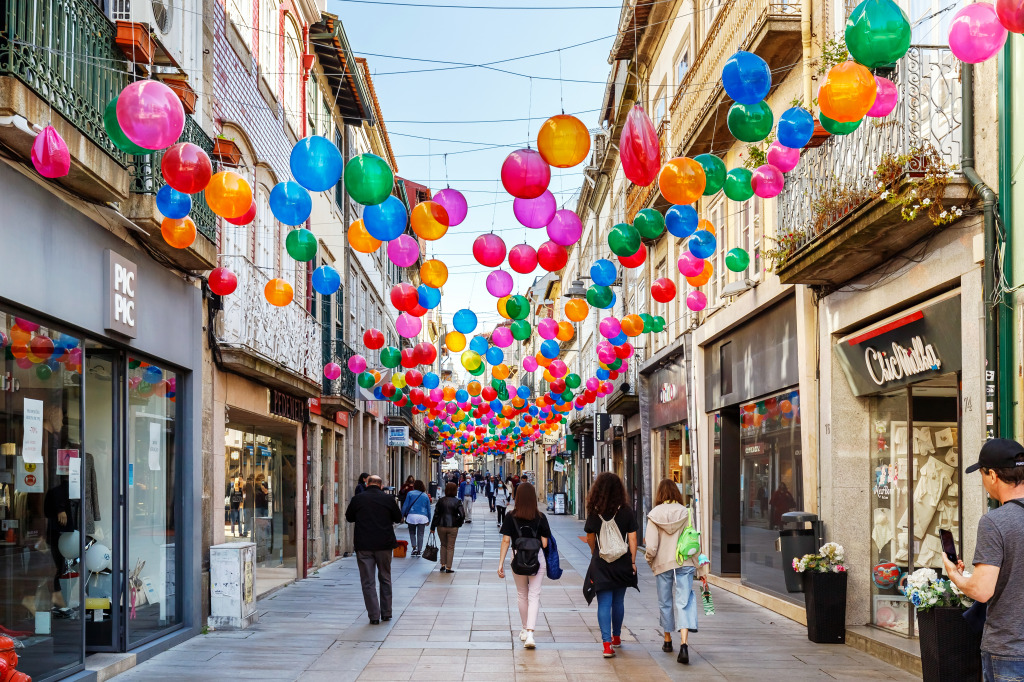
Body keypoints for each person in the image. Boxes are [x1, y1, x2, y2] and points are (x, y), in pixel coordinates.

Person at [944, 438, 1024, 681]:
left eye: (981, 474)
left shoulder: (994, 522)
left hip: (1010, 649)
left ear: (992, 475)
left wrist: (955, 575)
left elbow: (981, 590)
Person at [645, 479, 707, 665]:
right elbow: (694, 541)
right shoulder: (686, 512)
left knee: (665, 601)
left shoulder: (654, 514)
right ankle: (684, 644)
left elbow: (652, 546)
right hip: (685, 562)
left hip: (663, 562)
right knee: (684, 601)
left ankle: (667, 640)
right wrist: (701, 567)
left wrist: (650, 561)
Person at [584, 472, 638, 659]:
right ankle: (616, 637)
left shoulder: (593, 512)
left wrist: (594, 552)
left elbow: (590, 537)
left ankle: (607, 645)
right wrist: (632, 561)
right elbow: (632, 538)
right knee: (618, 601)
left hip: (601, 562)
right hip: (622, 561)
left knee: (604, 603)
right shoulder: (626, 511)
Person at [497, 482, 550, 650]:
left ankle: (524, 628)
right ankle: (531, 634)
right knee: (534, 595)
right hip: (537, 558)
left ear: (517, 497)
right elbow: (545, 543)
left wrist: (500, 564)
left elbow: (506, 540)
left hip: (517, 557)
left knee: (522, 594)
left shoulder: (510, 516)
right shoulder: (540, 517)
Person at [344, 475, 401, 624]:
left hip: (364, 545)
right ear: (381, 486)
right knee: (385, 578)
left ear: (367, 483)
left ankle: (374, 616)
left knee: (368, 582)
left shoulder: (358, 499)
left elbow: (349, 518)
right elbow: (398, 518)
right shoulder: (388, 499)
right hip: (384, 544)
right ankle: (387, 613)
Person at [431, 482, 465, 573]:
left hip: (441, 525)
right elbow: (462, 515)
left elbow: (436, 514)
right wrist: (458, 523)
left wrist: (432, 527)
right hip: (453, 526)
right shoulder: (457, 501)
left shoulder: (441, 500)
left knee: (443, 545)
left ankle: (442, 564)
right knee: (450, 546)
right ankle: (448, 567)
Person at [401, 480, 432, 556]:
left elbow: (405, 505)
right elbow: (428, 509)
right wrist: (429, 519)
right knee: (420, 534)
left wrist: (402, 516)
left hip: (411, 516)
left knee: (412, 532)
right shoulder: (425, 496)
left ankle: (414, 547)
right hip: (422, 516)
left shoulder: (410, 493)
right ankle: (419, 550)